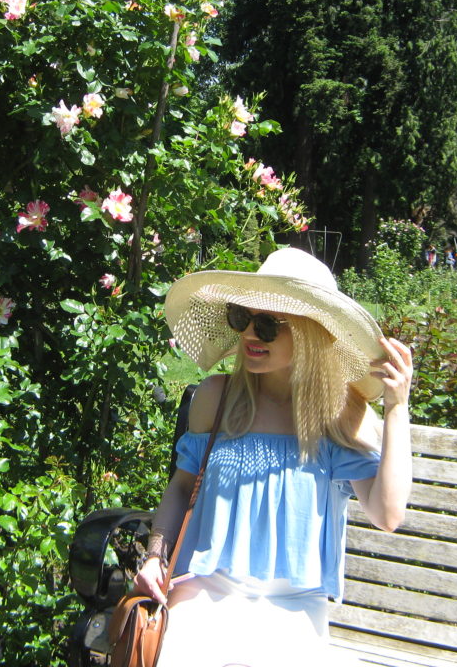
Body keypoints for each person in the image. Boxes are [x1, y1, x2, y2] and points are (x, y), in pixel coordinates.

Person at [133, 248, 413, 666]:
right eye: (241, 319)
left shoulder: (338, 415)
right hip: (207, 590)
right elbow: (180, 486)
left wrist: (397, 408)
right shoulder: (217, 397)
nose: (248, 335)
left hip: (294, 607)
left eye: (266, 325)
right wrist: (155, 555)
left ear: (311, 334)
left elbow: (387, 514)